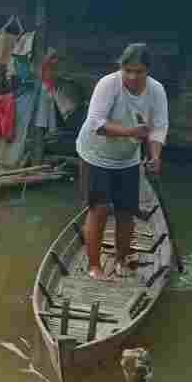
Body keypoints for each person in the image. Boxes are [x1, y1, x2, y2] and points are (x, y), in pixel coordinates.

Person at [75, 43, 168, 281]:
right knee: (100, 209)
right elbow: (96, 123)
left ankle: (121, 259)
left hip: (126, 158)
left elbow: (158, 127)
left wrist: (155, 156)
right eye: (128, 70)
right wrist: (130, 132)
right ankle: (94, 266)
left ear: (148, 71)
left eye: (138, 71)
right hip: (95, 154)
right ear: (121, 68)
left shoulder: (156, 91)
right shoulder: (109, 85)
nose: (132, 76)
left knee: (126, 211)